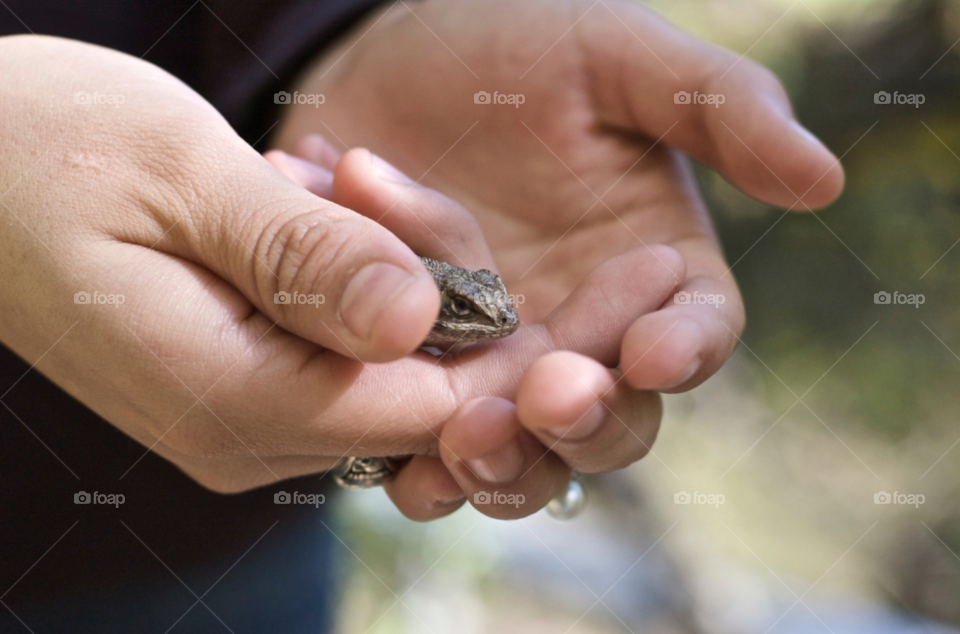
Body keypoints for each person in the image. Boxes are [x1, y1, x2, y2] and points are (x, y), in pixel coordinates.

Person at [0, 0, 844, 631]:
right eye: (468, 308)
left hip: (216, 548)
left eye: (487, 306)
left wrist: (355, 22)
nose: (495, 321)